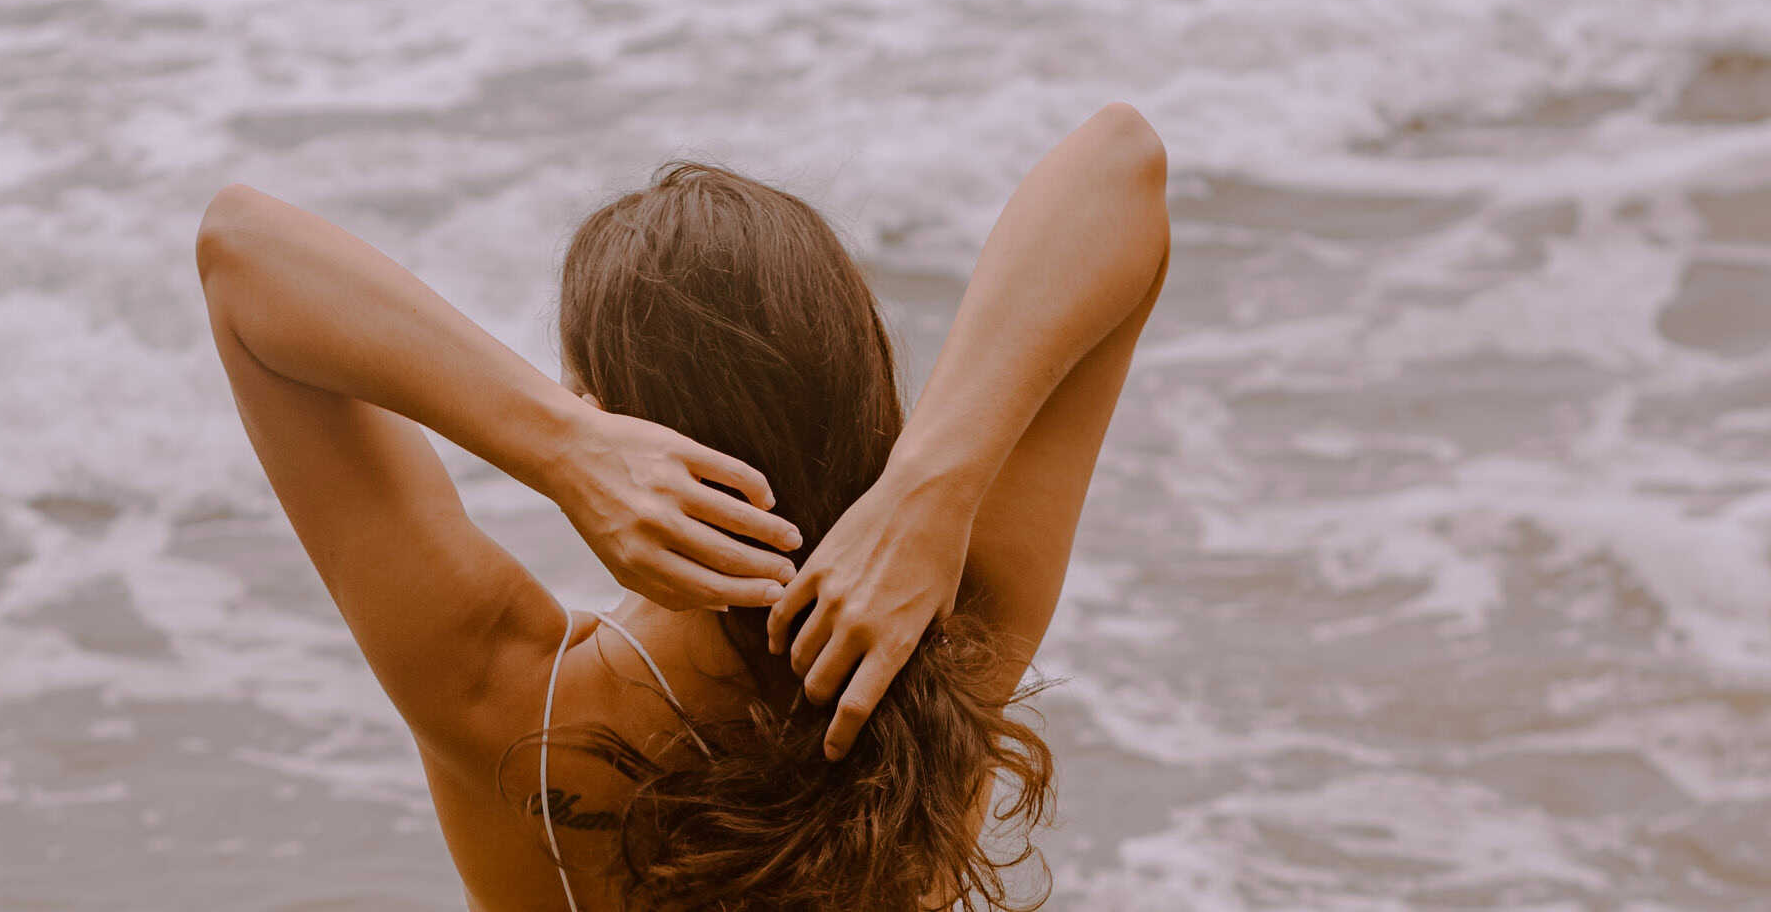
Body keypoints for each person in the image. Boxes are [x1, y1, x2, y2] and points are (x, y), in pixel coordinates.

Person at [195, 101, 1170, 911]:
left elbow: (243, 250)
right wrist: (932, 484)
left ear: (601, 413)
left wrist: (553, 441)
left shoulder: (509, 703)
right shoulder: (948, 642)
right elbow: (1119, 165)